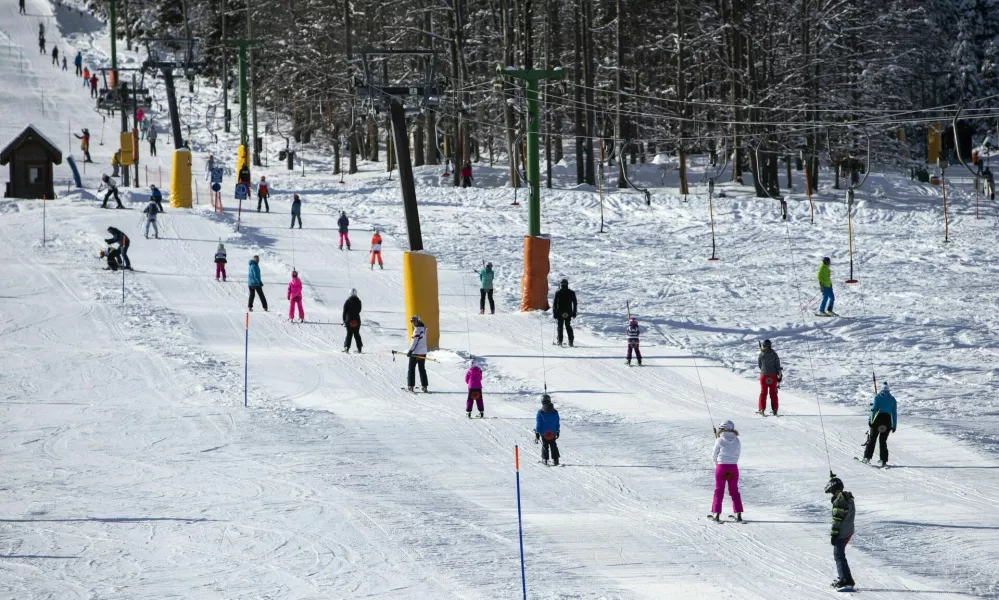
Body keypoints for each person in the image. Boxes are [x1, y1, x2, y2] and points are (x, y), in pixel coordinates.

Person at [708, 420, 744, 522]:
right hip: (733, 467)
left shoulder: (719, 440)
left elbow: (714, 455)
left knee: (719, 491)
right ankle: (738, 514)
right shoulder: (737, 440)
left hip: (721, 467)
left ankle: (716, 514)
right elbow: (738, 453)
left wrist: (717, 462)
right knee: (734, 491)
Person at [826, 475, 856, 590]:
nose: (832, 495)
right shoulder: (848, 499)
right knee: (840, 555)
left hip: (842, 532)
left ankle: (845, 580)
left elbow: (837, 519)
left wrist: (834, 534)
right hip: (849, 530)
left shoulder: (839, 501)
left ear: (835, 490)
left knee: (838, 555)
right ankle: (847, 579)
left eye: (832, 492)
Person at [862, 382, 897, 467]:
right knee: (883, 441)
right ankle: (883, 460)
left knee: (872, 439)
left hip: (878, 420)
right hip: (887, 421)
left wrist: (871, 421)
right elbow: (894, 413)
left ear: (881, 389)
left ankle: (867, 457)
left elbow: (874, 410)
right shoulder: (893, 399)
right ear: (888, 390)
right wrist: (894, 425)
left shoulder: (877, 397)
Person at [757, 339, 782, 416]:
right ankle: (775, 410)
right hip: (773, 376)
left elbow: (759, 365)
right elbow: (778, 366)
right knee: (773, 393)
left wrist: (764, 370)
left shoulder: (761, 354)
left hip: (763, 376)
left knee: (763, 393)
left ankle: (761, 409)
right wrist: (779, 375)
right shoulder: (774, 354)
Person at [534, 394, 560, 466]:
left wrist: (537, 432)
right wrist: (557, 431)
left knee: (545, 445)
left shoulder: (540, 412)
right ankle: (556, 460)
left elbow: (539, 424)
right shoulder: (555, 412)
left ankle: (545, 459)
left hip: (544, 433)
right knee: (553, 445)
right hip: (553, 432)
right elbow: (557, 422)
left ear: (542, 402)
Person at [406, 315, 428, 392]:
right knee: (422, 369)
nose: (413, 323)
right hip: (423, 353)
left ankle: (410, 386)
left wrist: (410, 351)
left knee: (411, 369)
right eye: (412, 322)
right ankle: (424, 386)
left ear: (418, 321)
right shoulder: (423, 329)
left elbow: (414, 342)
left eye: (414, 322)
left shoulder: (417, 330)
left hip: (415, 353)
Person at [552, 278, 577, 347]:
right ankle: (571, 341)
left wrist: (554, 313)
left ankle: (560, 341)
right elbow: (575, 303)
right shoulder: (572, 293)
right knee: (568, 326)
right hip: (569, 312)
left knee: (560, 327)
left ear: (561, 285)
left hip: (560, 312)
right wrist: (574, 312)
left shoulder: (558, 292)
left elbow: (554, 304)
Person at [342, 288, 363, 353]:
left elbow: (344, 312)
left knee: (349, 334)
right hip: (357, 319)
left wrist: (344, 320)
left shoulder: (347, 301)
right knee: (357, 334)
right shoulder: (359, 301)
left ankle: (347, 348)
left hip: (349, 320)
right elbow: (359, 310)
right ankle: (359, 348)